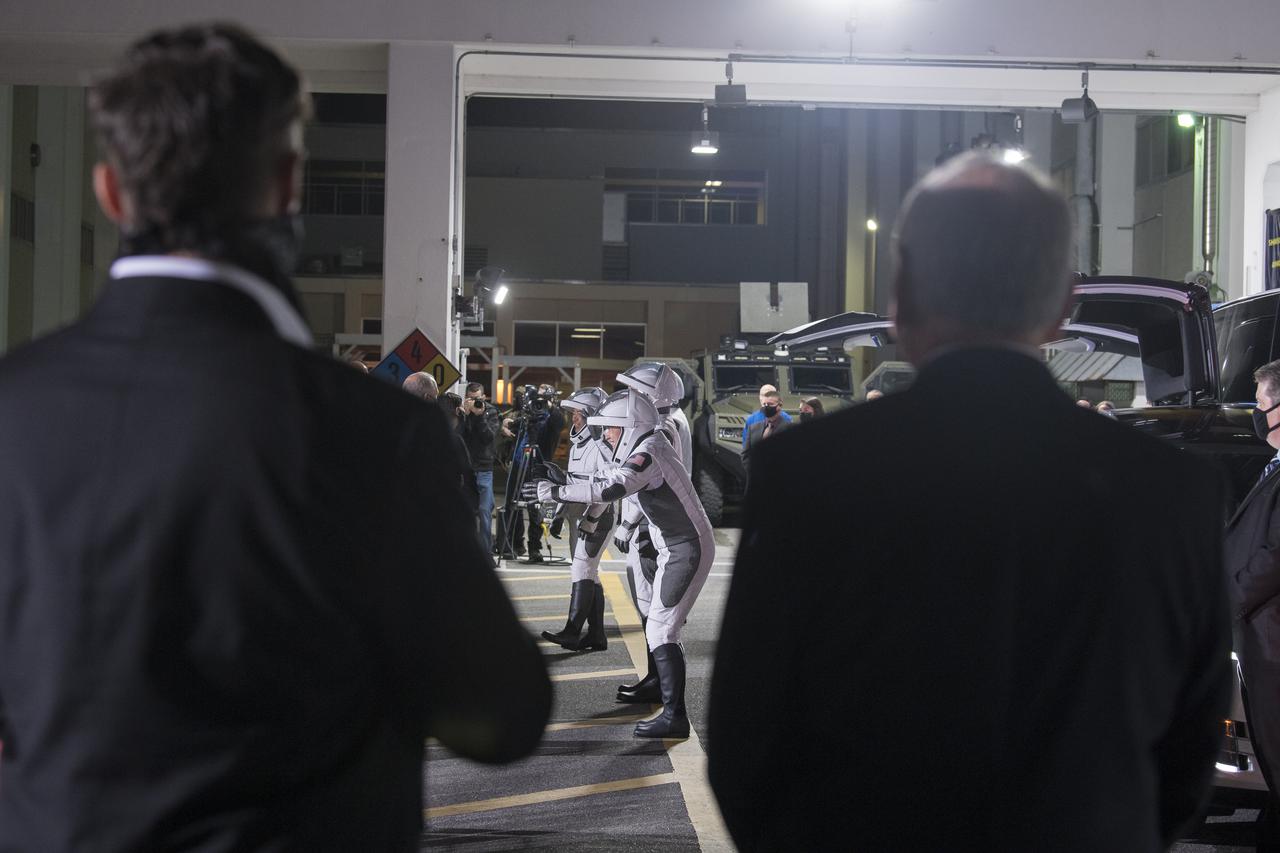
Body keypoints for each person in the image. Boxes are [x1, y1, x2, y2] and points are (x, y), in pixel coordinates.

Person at [0, 24, 551, 852]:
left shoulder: (15, 403)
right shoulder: (376, 434)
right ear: (288, 181)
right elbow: (500, 715)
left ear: (111, 194)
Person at [708, 151, 1230, 851]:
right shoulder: (1171, 490)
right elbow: (1189, 750)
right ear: (1063, 307)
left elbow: (747, 739)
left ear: (901, 294)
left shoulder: (806, 474)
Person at [527, 390, 715, 739]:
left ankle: (675, 716)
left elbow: (610, 489)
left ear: (630, 425)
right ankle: (665, 699)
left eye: (612, 427)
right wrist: (564, 484)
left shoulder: (649, 450)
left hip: (685, 546)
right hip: (676, 543)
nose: (607, 434)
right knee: (660, 624)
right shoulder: (648, 443)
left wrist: (554, 493)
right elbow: (605, 480)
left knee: (661, 627)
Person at [612, 362, 692, 702]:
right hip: (658, 520)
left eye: (636, 391)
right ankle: (656, 680)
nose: (631, 398)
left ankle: (660, 685)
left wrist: (627, 523)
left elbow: (646, 477)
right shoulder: (675, 419)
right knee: (654, 610)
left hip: (650, 522)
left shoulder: (662, 425)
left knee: (652, 607)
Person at [1225, 359, 1280, 850]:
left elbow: (1275, 557)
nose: (1257, 414)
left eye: (1262, 405)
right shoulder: (1271, 467)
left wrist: (1229, 600)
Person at [541, 387, 614, 652]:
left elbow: (607, 489)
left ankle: (573, 632)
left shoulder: (602, 448)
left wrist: (593, 519)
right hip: (580, 516)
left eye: (578, 414)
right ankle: (596, 635)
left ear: (591, 415)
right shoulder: (579, 446)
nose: (574, 419)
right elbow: (576, 485)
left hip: (599, 517)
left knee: (582, 570)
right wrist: (560, 511)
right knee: (590, 574)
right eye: (572, 414)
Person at [461, 381, 499, 555]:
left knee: (484, 510)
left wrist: (479, 415)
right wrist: (464, 415)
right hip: (466, 469)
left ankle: (486, 553)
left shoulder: (490, 412)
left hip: (484, 468)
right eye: (470, 398)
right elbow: (458, 436)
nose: (475, 402)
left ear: (483, 397)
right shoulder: (462, 412)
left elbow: (488, 438)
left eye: (477, 399)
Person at [741, 382, 791, 450]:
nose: (767, 397)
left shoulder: (786, 419)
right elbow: (745, 447)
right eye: (764, 395)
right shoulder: (751, 420)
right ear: (760, 398)